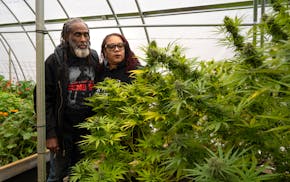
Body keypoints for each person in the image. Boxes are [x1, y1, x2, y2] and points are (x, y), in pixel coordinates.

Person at [43, 17, 100, 181]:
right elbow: (44, 100)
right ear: (66, 37)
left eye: (86, 35)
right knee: (57, 174)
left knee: (81, 172)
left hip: (87, 130)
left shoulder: (94, 58)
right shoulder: (54, 61)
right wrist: (50, 134)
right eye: (77, 35)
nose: (83, 40)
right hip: (63, 131)